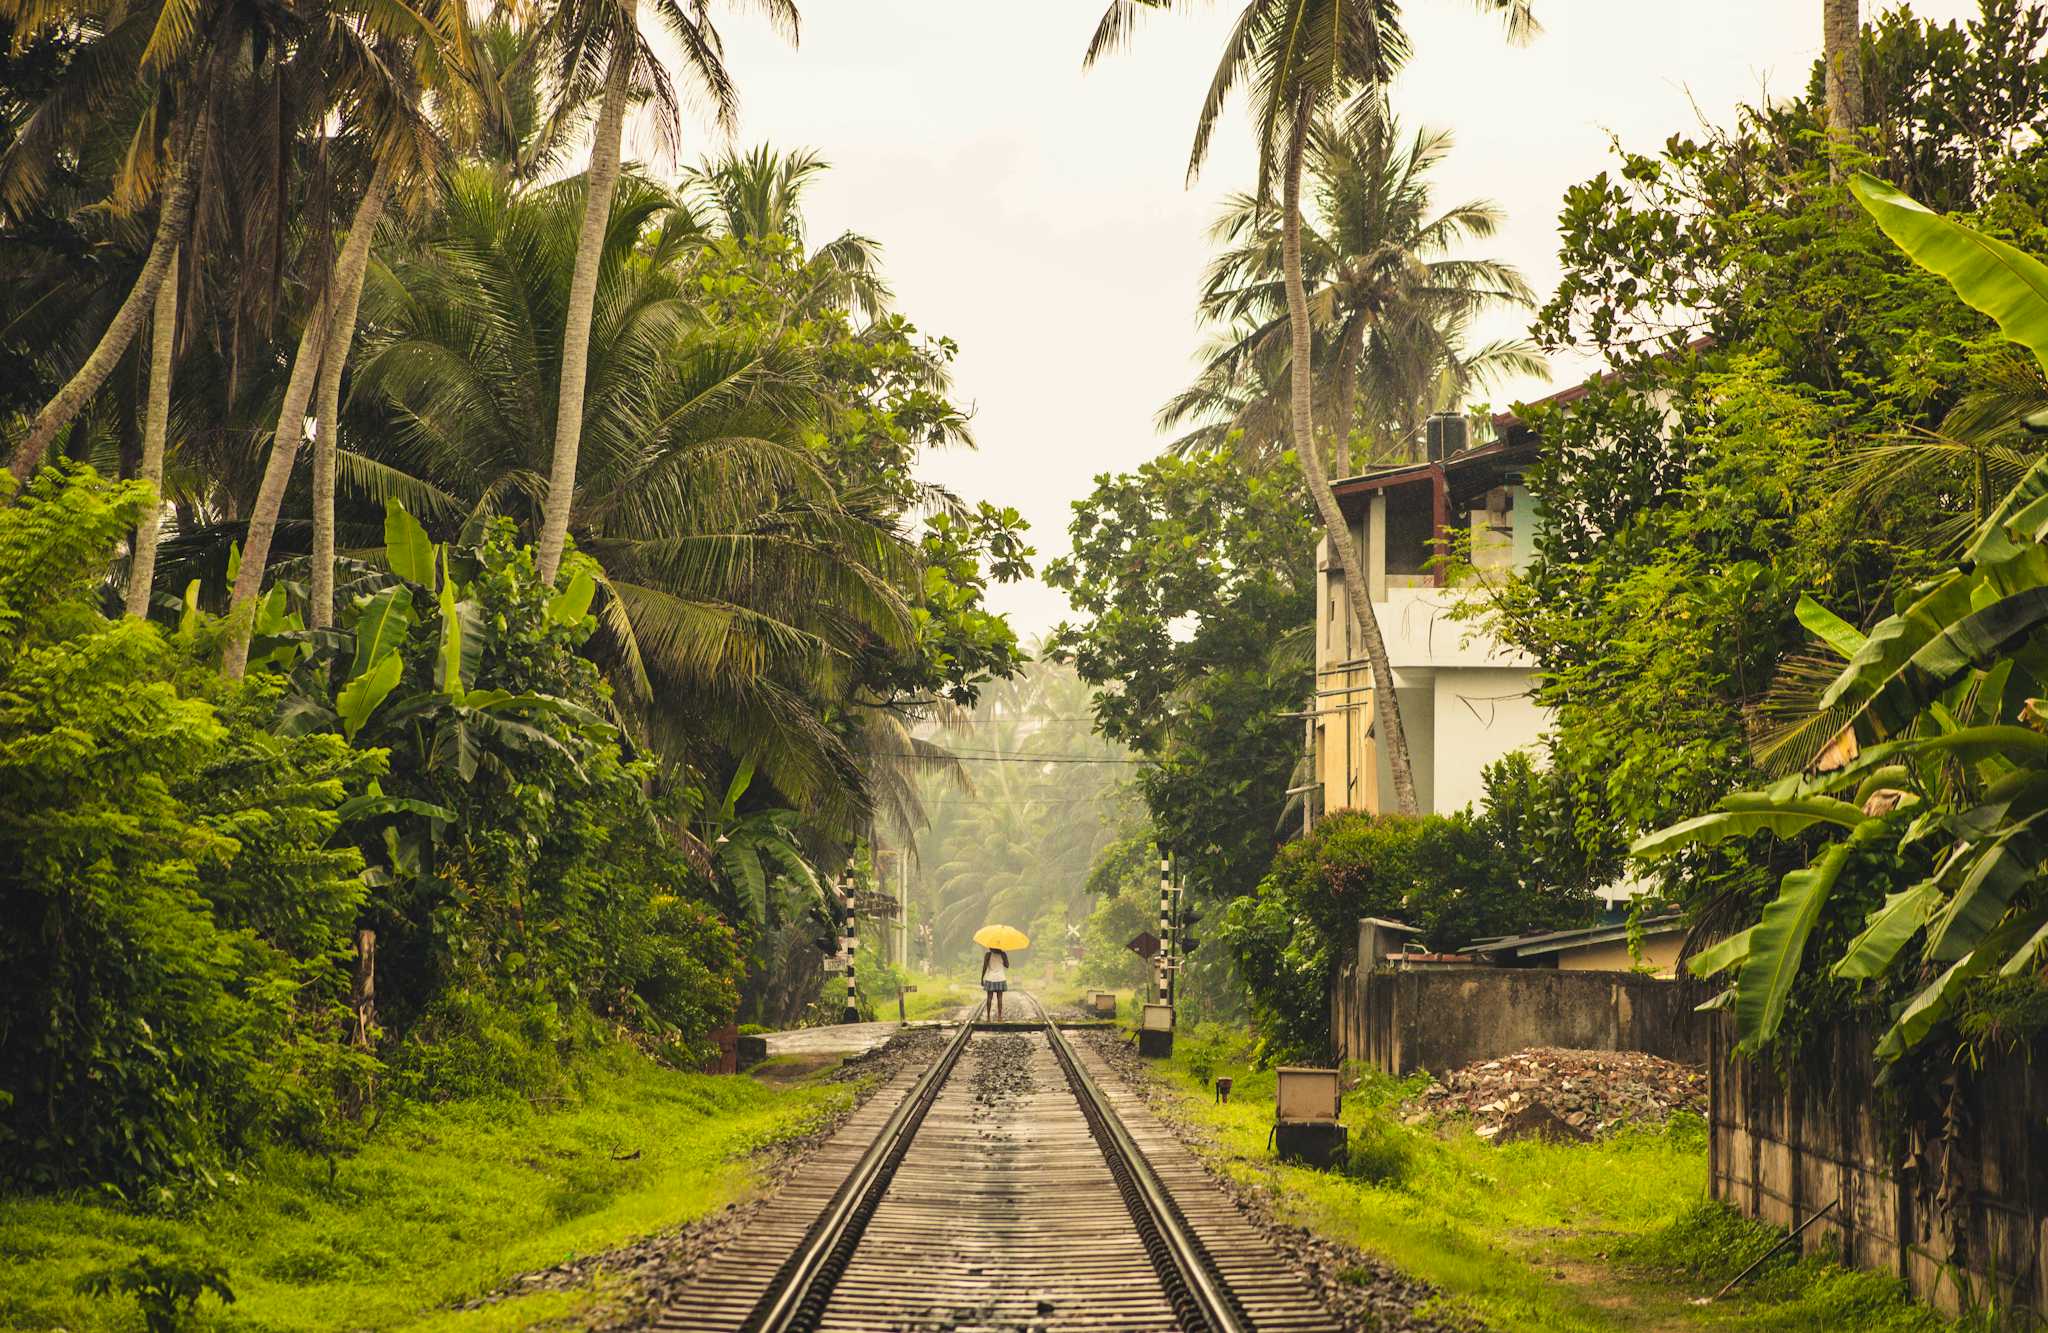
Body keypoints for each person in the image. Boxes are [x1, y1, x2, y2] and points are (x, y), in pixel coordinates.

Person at [981, 947, 1008, 1020]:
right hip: (1000, 978)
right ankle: (999, 1017)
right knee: (999, 998)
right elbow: (1007, 966)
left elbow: (984, 967)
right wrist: (1004, 958)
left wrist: (982, 978)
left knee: (989, 998)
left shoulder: (988, 954)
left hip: (990, 978)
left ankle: (988, 1017)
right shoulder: (1003, 954)